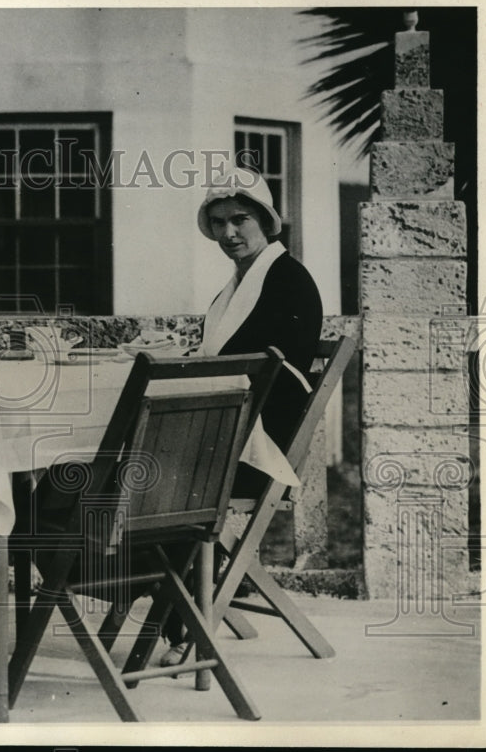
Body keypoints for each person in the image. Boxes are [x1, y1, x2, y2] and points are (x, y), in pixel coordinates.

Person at [156, 167, 322, 667]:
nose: (229, 233)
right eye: (219, 222)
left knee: (152, 477)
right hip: (224, 431)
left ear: (266, 221)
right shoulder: (233, 288)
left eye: (240, 219)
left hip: (258, 442)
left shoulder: (289, 281)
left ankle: (181, 615)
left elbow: (269, 372)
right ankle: (185, 598)